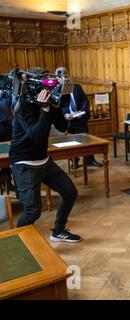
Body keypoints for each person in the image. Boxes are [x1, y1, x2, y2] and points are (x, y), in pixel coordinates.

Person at [9, 82, 80, 242]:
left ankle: (58, 231)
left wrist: (55, 107)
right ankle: (17, 242)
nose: (49, 92)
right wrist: (45, 110)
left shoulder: (46, 104)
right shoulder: (23, 108)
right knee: (32, 211)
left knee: (70, 192)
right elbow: (37, 135)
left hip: (43, 160)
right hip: (24, 163)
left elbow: (62, 127)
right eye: (46, 90)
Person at [56, 67, 102, 168]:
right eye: (62, 76)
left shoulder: (76, 87)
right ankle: (74, 161)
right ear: (58, 78)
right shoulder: (57, 90)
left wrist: (82, 110)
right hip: (68, 120)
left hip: (80, 118)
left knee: (87, 140)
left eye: (66, 75)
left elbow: (85, 100)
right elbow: (59, 105)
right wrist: (65, 114)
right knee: (72, 143)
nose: (65, 78)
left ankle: (90, 160)